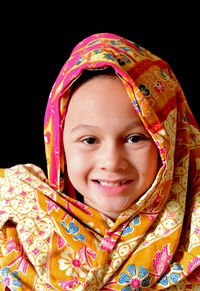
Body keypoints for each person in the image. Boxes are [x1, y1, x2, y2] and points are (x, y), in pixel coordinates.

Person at [0, 33, 199, 290]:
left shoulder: (194, 239)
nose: (112, 162)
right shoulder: (13, 222)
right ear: (59, 146)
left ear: (169, 144)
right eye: (90, 140)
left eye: (135, 138)